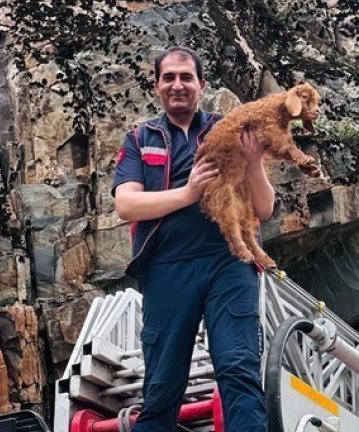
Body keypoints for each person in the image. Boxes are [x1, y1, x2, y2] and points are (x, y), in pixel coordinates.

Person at [112, 46, 275, 432]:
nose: (177, 85)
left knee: (239, 370)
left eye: (186, 77)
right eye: (169, 77)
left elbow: (265, 208)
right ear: (156, 86)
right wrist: (187, 194)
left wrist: (252, 160)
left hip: (229, 262)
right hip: (166, 269)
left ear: (201, 85)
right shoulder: (139, 138)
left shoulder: (230, 130)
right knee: (162, 388)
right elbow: (126, 205)